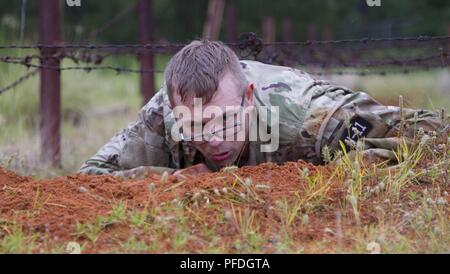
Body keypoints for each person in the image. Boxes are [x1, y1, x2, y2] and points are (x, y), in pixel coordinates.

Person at [79, 40, 443, 178]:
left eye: (226, 119)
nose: (214, 138)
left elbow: (432, 134)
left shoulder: (305, 116)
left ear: (248, 97)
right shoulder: (164, 113)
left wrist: (333, 173)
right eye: (198, 125)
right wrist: (170, 181)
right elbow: (89, 179)